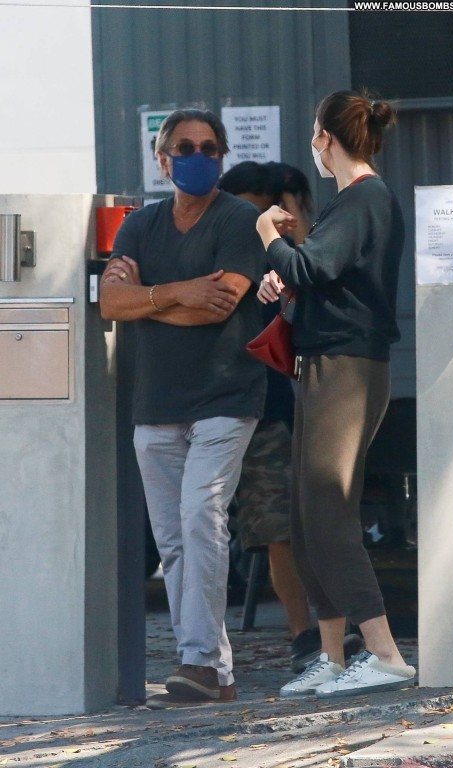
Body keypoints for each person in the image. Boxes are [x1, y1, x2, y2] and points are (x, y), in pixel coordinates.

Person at [99, 108, 267, 703]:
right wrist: (176, 293)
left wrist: (145, 300)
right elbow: (110, 304)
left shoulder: (239, 219)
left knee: (202, 518)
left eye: (209, 147)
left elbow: (220, 305)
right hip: (155, 403)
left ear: (221, 155)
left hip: (225, 396)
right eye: (185, 147)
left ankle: (200, 662)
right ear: (161, 158)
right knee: (172, 542)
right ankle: (212, 670)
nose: (198, 157)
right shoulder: (140, 226)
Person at [255, 90, 417, 698]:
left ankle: (385, 653)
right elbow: (318, 276)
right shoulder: (352, 202)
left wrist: (268, 234)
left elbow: (309, 268)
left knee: (327, 510)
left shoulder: (364, 198)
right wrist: (285, 277)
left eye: (314, 134)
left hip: (345, 368)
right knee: (307, 516)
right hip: (327, 365)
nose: (313, 145)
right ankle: (331, 655)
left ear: (325, 136)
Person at [218, 160, 364, 673]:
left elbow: (313, 280)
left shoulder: (286, 255)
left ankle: (309, 636)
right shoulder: (223, 245)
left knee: (286, 525)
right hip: (218, 400)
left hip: (272, 405)